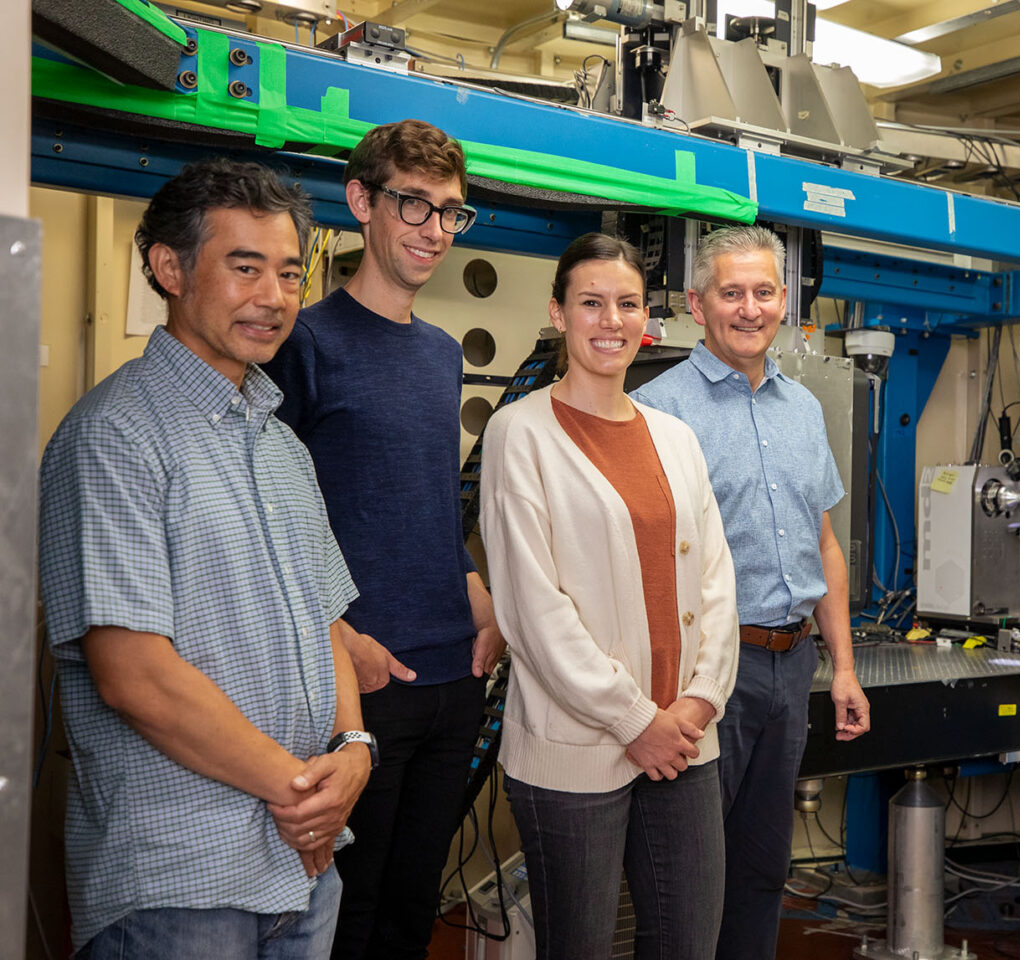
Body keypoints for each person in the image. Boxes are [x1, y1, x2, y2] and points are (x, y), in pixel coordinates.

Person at [38, 158, 374, 959]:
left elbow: (325, 619)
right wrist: (303, 792)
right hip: (179, 881)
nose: (275, 297)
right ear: (170, 268)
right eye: (245, 267)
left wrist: (354, 751)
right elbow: (134, 673)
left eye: (291, 273)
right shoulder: (115, 436)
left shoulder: (281, 444)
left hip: (300, 865)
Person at [262, 119, 505, 960]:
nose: (435, 230)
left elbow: (430, 503)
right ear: (362, 202)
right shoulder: (304, 343)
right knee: (344, 916)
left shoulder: (441, 355)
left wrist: (482, 599)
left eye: (451, 213)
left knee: (412, 908)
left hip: (454, 676)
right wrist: (339, 642)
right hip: (361, 684)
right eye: (415, 206)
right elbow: (274, 520)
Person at [479, 232, 739, 960]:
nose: (610, 321)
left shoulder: (676, 437)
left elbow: (717, 581)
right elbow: (532, 611)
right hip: (579, 751)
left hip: (686, 744)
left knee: (687, 944)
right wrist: (635, 719)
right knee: (581, 947)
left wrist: (698, 703)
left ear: (647, 317)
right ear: (558, 315)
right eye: (590, 303)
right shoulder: (518, 434)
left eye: (627, 304)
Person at [630, 223, 872, 959]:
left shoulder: (802, 409)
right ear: (698, 307)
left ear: (784, 301)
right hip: (706, 672)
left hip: (791, 665)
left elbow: (821, 543)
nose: (749, 308)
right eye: (730, 293)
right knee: (686, 882)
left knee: (765, 870)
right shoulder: (661, 410)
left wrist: (846, 670)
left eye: (763, 292)